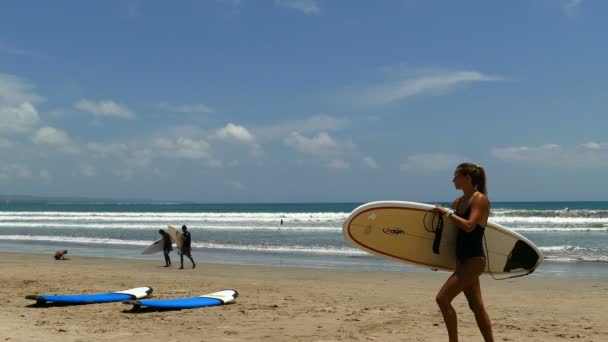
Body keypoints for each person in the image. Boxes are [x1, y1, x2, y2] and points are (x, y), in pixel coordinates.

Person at [433, 163, 494, 342]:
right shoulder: (457, 203)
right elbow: (451, 236)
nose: (453, 180)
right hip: (461, 260)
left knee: (442, 299)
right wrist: (432, 260)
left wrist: (448, 214)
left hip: (474, 261)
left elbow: (469, 226)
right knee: (476, 306)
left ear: (467, 178)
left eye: (456, 176)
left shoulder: (479, 199)